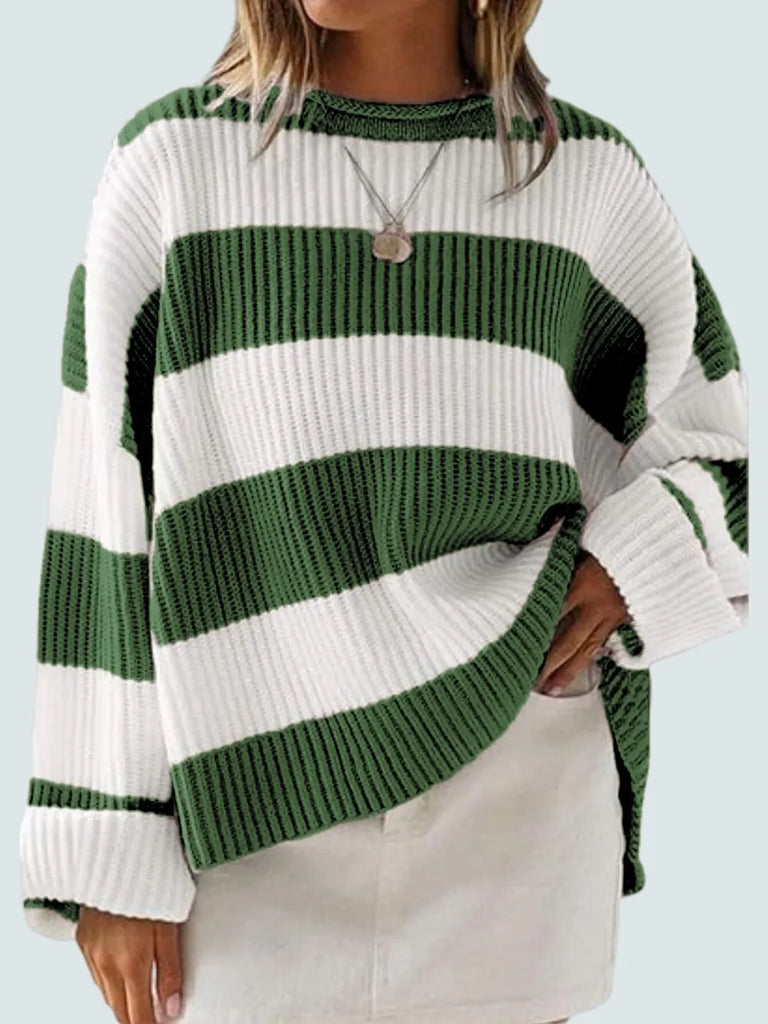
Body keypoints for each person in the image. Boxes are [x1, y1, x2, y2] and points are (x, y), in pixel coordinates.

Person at [18, 1, 749, 1022]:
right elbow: (102, 518)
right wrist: (109, 842)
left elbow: (713, 445)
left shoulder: (584, 177)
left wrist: (636, 562)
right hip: (249, 807)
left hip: (516, 795)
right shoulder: (174, 165)